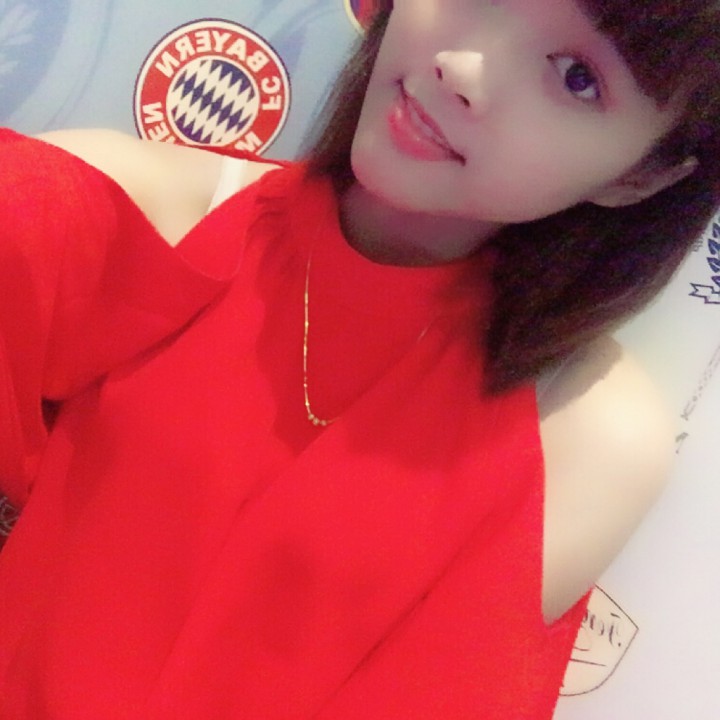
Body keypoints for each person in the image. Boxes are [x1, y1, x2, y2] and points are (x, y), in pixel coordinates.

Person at [0, 0, 718, 717]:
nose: (463, 69)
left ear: (642, 175)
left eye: (577, 77)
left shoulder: (581, 437)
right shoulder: (141, 213)